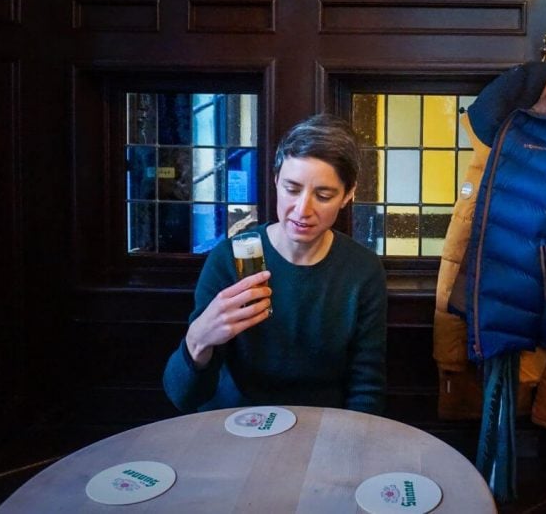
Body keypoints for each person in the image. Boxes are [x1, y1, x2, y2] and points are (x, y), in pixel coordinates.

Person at [163, 113, 387, 415]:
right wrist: (198, 340)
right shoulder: (230, 259)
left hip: (323, 426)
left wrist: (349, 446)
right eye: (292, 189)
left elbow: (366, 386)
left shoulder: (362, 270)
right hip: (236, 425)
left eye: (323, 195)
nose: (302, 209)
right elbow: (183, 397)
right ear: (275, 181)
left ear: (348, 195)